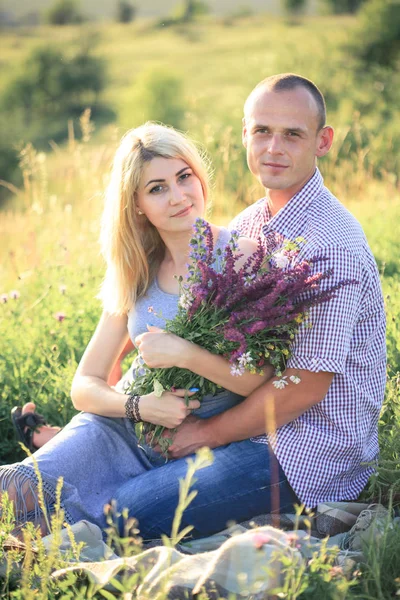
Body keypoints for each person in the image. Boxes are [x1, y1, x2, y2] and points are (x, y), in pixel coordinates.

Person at [1, 122, 299, 540]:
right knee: (15, 493)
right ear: (137, 204)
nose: (178, 197)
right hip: (118, 429)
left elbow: (259, 381)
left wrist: (183, 353)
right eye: (157, 188)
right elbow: (84, 385)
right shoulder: (136, 271)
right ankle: (55, 449)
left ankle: (51, 444)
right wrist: (141, 407)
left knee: (106, 520)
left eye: (183, 177)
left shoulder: (242, 259)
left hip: (192, 445)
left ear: (198, 176)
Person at [142, 73, 386, 513]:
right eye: (262, 131)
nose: (273, 149)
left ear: (323, 141)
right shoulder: (248, 225)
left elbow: (304, 387)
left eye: (292, 134)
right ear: (244, 135)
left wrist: (205, 433)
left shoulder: (332, 247)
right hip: (240, 418)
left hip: (307, 450)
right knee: (123, 473)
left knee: (124, 511)